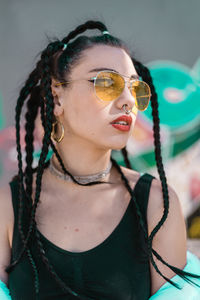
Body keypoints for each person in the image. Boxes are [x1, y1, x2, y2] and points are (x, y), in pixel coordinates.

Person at [0, 20, 200, 300]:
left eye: (135, 88)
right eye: (107, 82)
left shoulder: (156, 202)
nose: (127, 100)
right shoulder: (10, 204)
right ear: (57, 98)